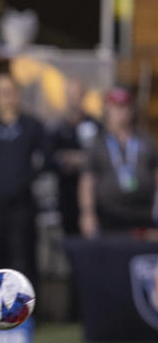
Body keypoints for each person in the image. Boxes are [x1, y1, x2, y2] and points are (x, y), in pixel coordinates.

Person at [0, 74, 47, 282]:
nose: (5, 98)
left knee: (22, 259)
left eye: (9, 92)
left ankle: (27, 311)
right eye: (0, 93)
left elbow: (43, 162)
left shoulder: (32, 127)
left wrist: (22, 182)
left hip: (22, 206)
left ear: (18, 94)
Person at [79, 87, 158, 237]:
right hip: (109, 215)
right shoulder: (98, 143)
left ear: (131, 110)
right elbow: (87, 180)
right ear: (107, 110)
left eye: (123, 107)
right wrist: (87, 213)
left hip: (142, 213)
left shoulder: (145, 140)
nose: (120, 113)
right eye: (115, 108)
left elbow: (155, 172)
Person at [52, 80, 99, 235]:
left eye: (77, 95)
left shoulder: (95, 125)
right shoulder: (58, 128)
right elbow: (50, 157)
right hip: (66, 192)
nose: (74, 100)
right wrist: (64, 159)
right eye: (70, 95)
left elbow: (101, 155)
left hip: (92, 193)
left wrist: (81, 159)